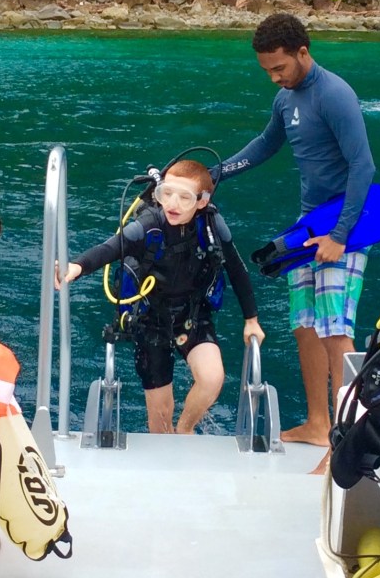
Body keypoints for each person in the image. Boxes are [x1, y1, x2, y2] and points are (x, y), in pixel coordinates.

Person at [219, 13, 375, 451]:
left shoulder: (334, 94)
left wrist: (340, 235)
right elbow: (266, 144)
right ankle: (318, 424)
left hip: (345, 227)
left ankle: (348, 440)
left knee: (335, 329)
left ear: (302, 53)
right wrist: (217, 174)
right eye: (267, 70)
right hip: (307, 227)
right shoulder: (286, 100)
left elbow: (364, 166)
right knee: (305, 326)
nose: (274, 77)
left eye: (279, 68)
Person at [64, 159, 265, 434]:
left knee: (212, 378)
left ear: (202, 202)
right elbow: (111, 248)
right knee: (160, 416)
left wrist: (251, 319)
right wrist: (77, 266)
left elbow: (238, 270)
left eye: (185, 197)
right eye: (166, 193)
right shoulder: (150, 224)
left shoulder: (212, 226)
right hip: (150, 321)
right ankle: (168, 440)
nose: (173, 203)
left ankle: (185, 429)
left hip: (192, 316)